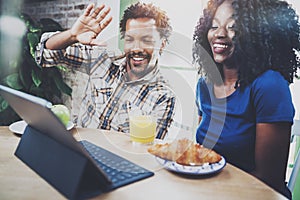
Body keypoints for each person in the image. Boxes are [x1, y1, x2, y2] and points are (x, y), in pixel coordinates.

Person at [192, 0, 300, 198]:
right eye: (214, 26)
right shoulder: (205, 84)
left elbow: (269, 180)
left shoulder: (269, 86)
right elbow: (202, 155)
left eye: (233, 27)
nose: (219, 34)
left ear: (256, 33)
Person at [35, 2, 176, 139]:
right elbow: (46, 54)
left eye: (147, 40)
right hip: (78, 149)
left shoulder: (164, 96)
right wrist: (72, 35)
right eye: (130, 39)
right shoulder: (103, 59)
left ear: (162, 44)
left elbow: (146, 150)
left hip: (116, 161)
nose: (136, 49)